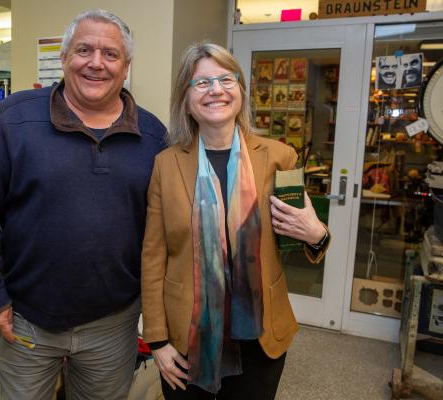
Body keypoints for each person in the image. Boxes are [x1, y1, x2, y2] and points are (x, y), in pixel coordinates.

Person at [0, 9, 166, 400]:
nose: (96, 63)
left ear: (126, 67)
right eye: (84, 50)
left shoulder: (153, 136)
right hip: (24, 318)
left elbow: (163, 227)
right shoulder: (13, 119)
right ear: (65, 57)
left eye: (110, 54)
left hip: (113, 322)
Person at [141, 42, 330, 400]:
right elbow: (153, 256)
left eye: (226, 79)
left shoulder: (279, 157)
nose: (216, 90)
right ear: (186, 97)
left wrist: (317, 234)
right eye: (202, 83)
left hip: (259, 335)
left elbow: (299, 237)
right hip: (187, 337)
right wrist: (157, 340)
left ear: (240, 90)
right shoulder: (166, 164)